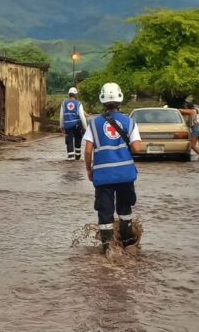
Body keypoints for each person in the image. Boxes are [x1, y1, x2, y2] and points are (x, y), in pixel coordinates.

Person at [83, 83, 142, 256]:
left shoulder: (94, 124)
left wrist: (89, 169)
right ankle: (129, 244)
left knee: (105, 211)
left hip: (103, 175)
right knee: (125, 210)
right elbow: (137, 148)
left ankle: (108, 248)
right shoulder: (129, 122)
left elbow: (87, 151)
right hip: (125, 174)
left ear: (102, 101)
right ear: (120, 100)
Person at [60, 87, 89, 160]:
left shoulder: (64, 103)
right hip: (77, 125)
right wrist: (85, 128)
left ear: (69, 94)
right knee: (78, 139)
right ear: (76, 95)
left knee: (69, 140)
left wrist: (61, 126)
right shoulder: (78, 103)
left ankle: (70, 156)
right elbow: (82, 117)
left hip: (68, 125)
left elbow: (61, 116)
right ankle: (78, 156)